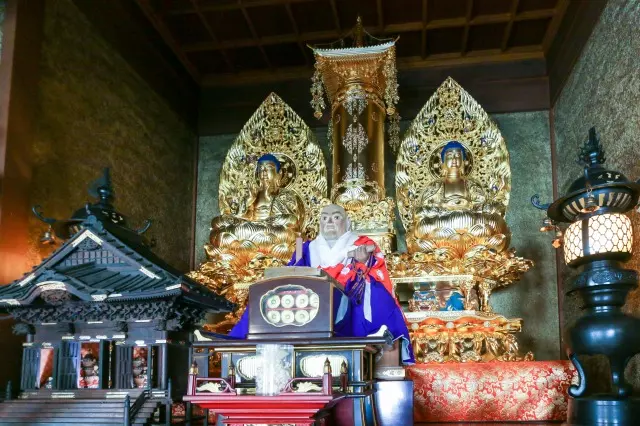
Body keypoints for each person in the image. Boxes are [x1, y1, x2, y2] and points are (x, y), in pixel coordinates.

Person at [230, 203, 414, 364]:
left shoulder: (361, 242)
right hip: (310, 298)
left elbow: (376, 267)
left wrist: (363, 262)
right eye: (325, 218)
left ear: (347, 223)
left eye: (336, 217)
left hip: (347, 297)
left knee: (371, 287)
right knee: (273, 291)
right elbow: (294, 271)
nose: (329, 222)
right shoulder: (307, 247)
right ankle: (242, 340)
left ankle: (374, 332)